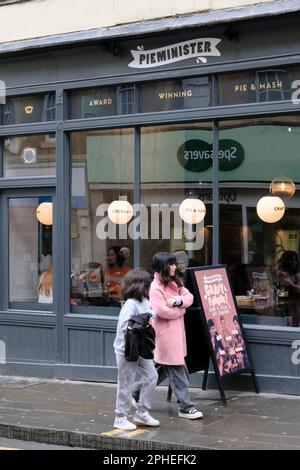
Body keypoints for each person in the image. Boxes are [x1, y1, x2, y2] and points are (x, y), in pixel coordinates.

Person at [133, 252, 203, 420]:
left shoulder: (174, 282)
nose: (175, 266)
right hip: (165, 337)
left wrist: (178, 302)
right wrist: (182, 309)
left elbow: (189, 297)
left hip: (176, 335)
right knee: (179, 371)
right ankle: (185, 407)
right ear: (163, 266)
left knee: (160, 370)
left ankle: (133, 392)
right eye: (171, 264)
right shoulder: (155, 288)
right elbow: (163, 311)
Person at [113, 269, 160, 431]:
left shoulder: (144, 301)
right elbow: (125, 326)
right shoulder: (130, 304)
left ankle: (142, 412)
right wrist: (144, 320)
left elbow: (149, 313)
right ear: (141, 285)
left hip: (141, 348)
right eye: (149, 284)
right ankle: (120, 417)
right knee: (126, 383)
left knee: (152, 376)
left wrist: (151, 314)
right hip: (127, 349)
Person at [277, 250, 300, 327]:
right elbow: (279, 295)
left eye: (295, 260)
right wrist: (286, 288)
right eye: (291, 260)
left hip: (294, 310)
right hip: (285, 310)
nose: (294, 262)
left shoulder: (296, 275)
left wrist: (291, 286)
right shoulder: (280, 275)